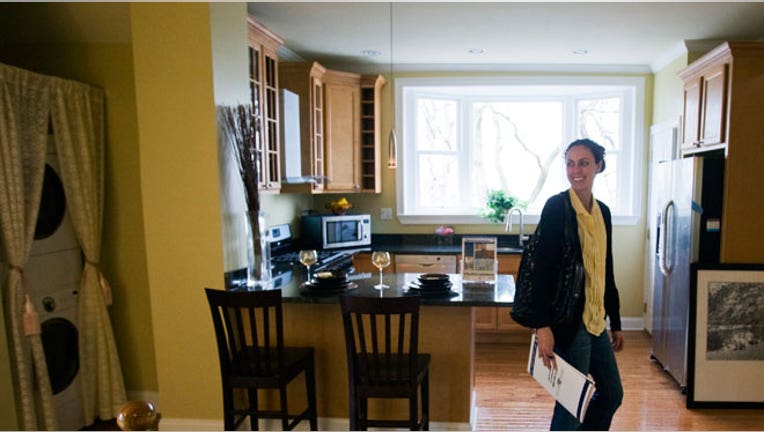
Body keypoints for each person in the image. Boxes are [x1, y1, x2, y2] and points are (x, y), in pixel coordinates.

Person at [530, 138, 624, 430]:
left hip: (596, 320)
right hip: (569, 323)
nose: (575, 170)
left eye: (583, 163)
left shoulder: (603, 212)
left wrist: (616, 321)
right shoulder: (557, 208)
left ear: (598, 166)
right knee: (570, 404)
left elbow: (605, 269)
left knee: (612, 394)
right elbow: (540, 271)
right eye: (570, 163)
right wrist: (542, 326)